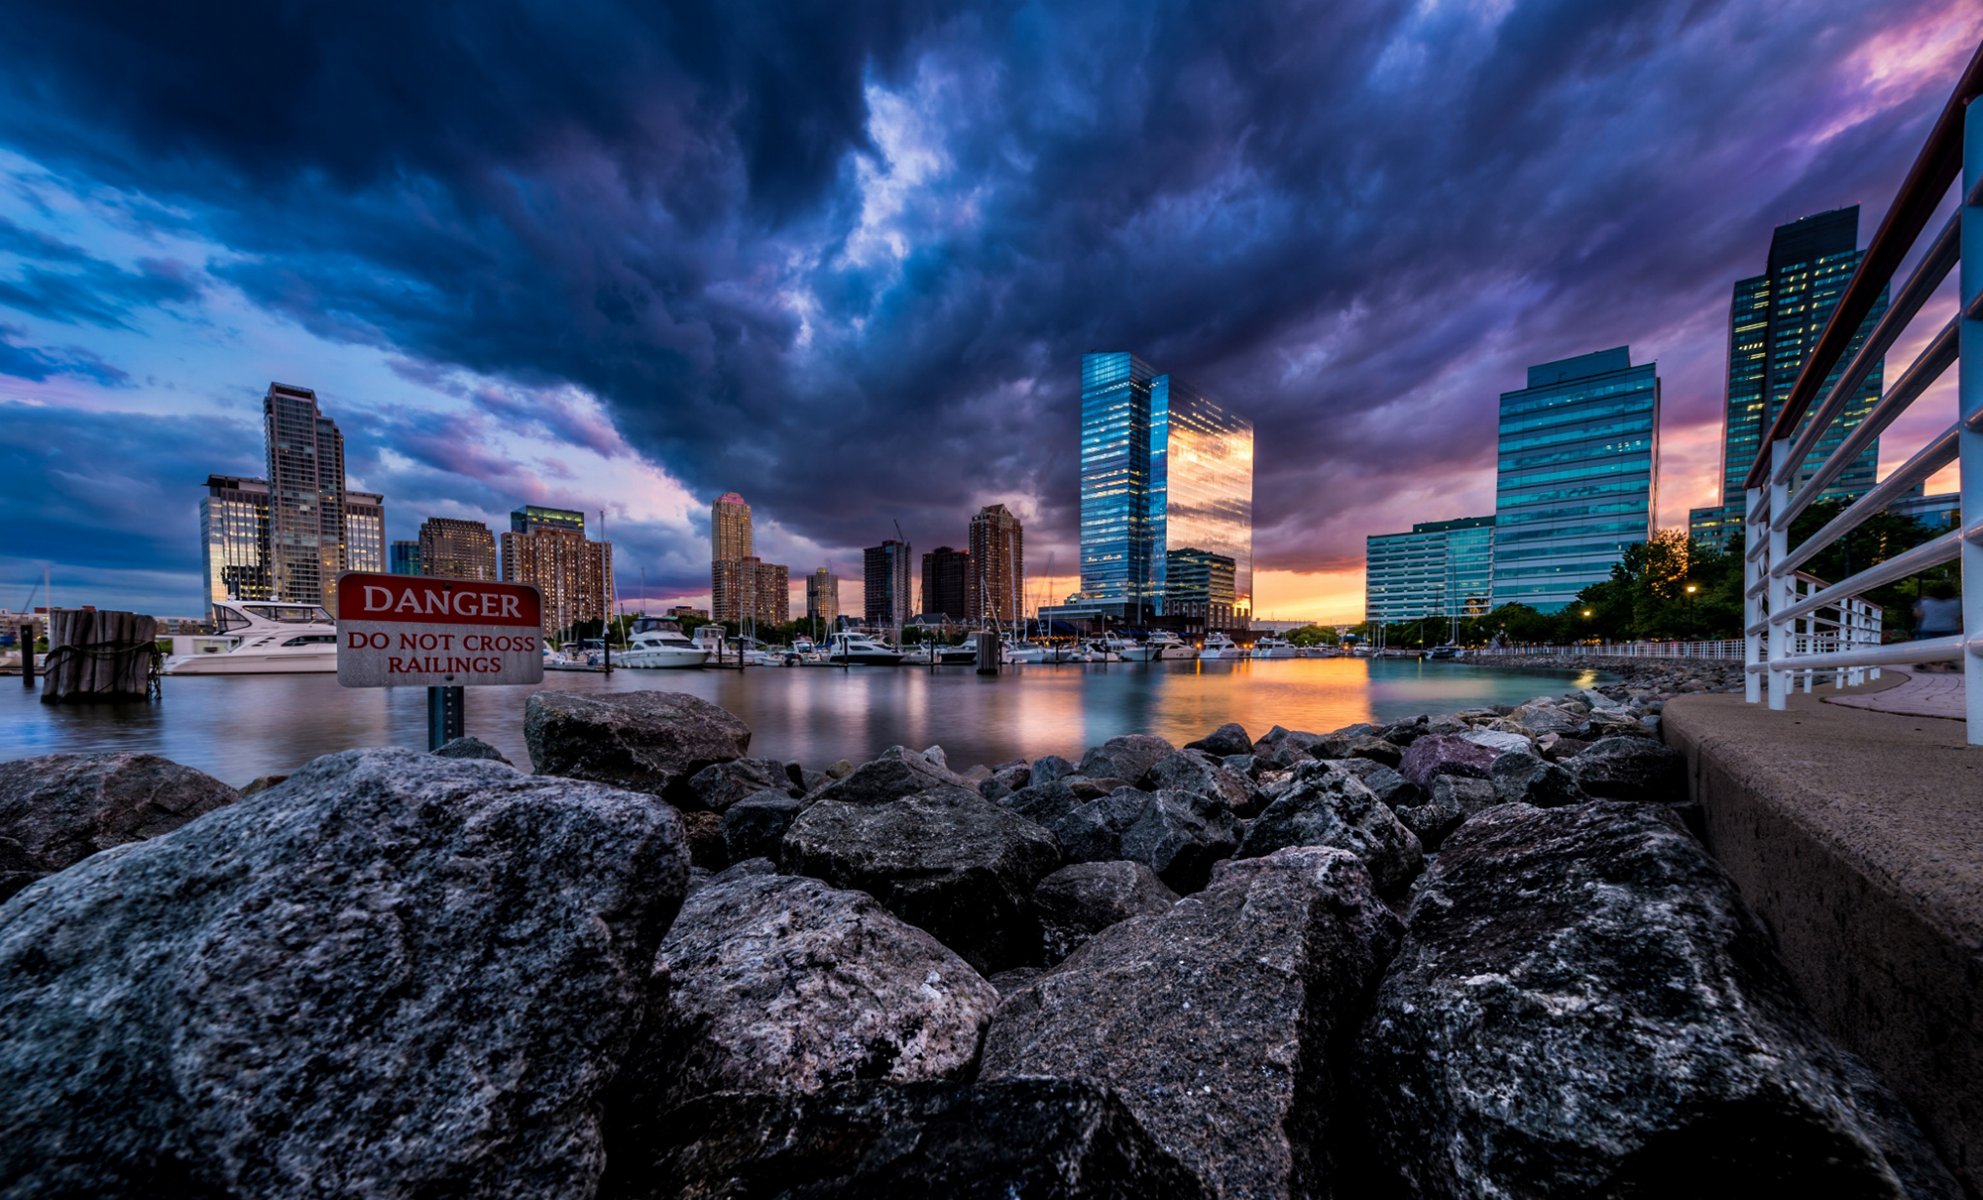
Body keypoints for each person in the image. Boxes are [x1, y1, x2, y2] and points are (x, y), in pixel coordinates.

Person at [1913, 581, 1962, 671]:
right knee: (1948, 647)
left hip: (1929, 628)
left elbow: (1918, 615)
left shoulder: (1925, 603)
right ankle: (1949, 662)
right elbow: (1958, 616)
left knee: (1927, 647)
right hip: (1949, 628)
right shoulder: (1955, 603)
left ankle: (1924, 663)